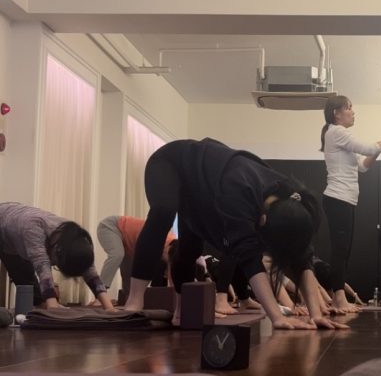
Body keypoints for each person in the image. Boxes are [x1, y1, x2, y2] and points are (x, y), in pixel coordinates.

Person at [123, 137, 346, 330]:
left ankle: (182, 310)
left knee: (191, 248)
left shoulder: (291, 207)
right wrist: (277, 317)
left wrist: (315, 315)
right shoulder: (239, 190)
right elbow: (250, 260)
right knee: (163, 211)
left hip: (203, 188)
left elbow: (302, 258)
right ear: (262, 221)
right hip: (171, 162)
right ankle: (134, 301)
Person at [320, 95, 381, 313]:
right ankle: (338, 299)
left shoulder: (338, 135)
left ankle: (338, 298)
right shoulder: (337, 132)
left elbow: (363, 166)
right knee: (341, 251)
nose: (353, 112)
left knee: (344, 251)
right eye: (349, 108)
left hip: (344, 200)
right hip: (338, 198)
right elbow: (370, 148)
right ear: (336, 113)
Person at [0, 202, 114, 310]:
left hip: (15, 236)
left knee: (27, 280)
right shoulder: (33, 228)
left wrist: (108, 307)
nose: (54, 264)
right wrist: (52, 305)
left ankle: (40, 304)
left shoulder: (76, 238)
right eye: (56, 264)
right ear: (57, 250)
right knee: (25, 270)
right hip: (5, 219)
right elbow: (42, 264)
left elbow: (90, 271)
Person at [96, 215, 176, 297]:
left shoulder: (173, 248)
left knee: (129, 273)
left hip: (129, 242)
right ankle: (100, 293)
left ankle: (128, 299)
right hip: (111, 226)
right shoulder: (155, 241)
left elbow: (171, 273)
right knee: (117, 255)